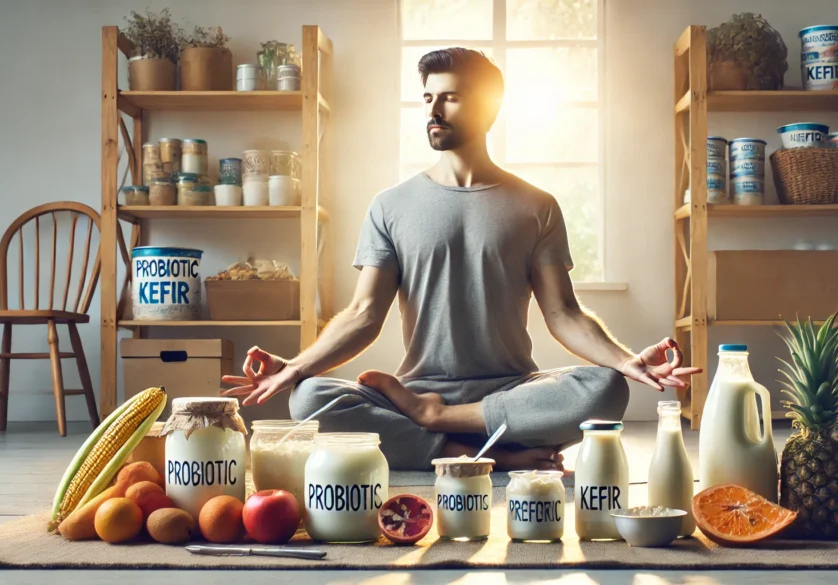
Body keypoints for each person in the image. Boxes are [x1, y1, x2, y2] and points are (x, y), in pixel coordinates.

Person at [222, 48, 700, 471]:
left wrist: (627, 361)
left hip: (511, 397)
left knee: (607, 389)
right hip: (416, 390)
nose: (434, 108)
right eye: (428, 97)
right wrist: (297, 367)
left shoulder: (537, 206)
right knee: (309, 398)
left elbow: (564, 313)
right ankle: (463, 453)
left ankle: (440, 426)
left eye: (449, 97)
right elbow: (364, 314)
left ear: (489, 108)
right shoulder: (390, 205)